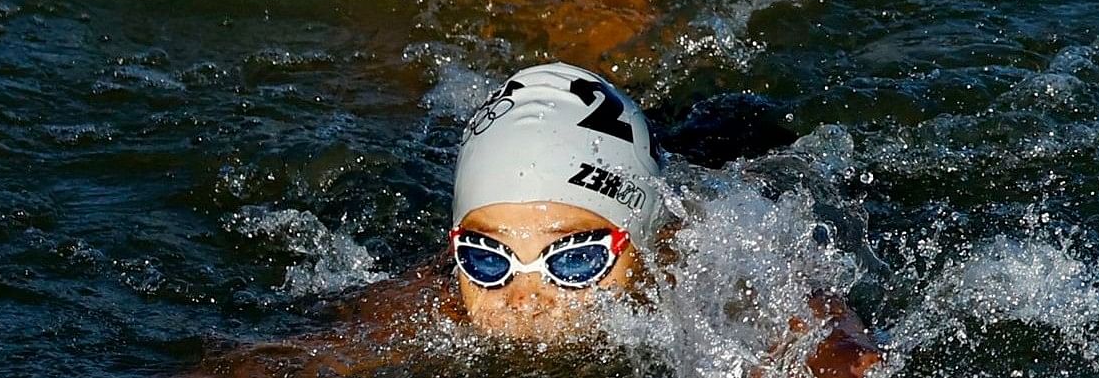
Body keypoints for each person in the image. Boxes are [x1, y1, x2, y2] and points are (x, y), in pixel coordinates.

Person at [192, 64, 883, 374]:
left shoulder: (713, 256)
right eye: (488, 257)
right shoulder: (446, 298)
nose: (524, 296)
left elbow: (835, 345)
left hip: (730, 136)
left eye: (574, 258)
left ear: (638, 242)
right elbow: (286, 361)